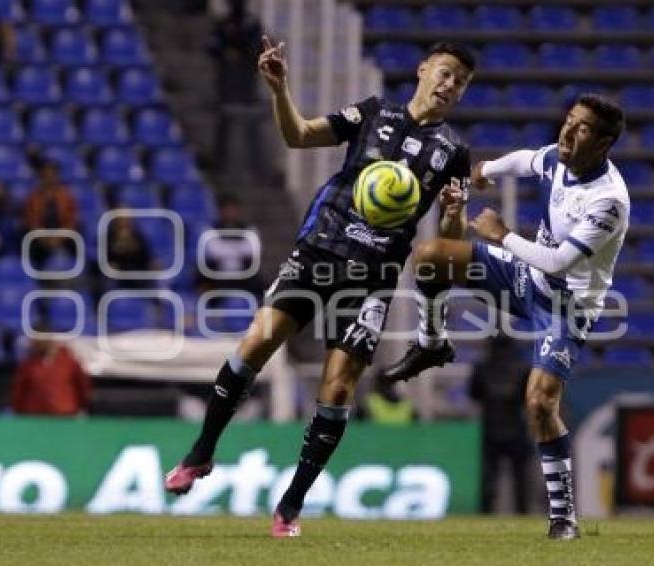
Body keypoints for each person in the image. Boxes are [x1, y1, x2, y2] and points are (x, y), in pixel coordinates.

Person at [164, 36, 476, 538]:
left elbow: (448, 247)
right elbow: (300, 135)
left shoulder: (453, 154)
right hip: (320, 250)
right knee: (256, 343)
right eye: (444, 73)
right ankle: (201, 453)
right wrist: (278, 88)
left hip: (372, 275)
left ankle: (291, 504)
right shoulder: (373, 113)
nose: (449, 85)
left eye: (460, 83)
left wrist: (456, 217)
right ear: (423, 70)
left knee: (337, 388)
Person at [382, 93, 628, 539]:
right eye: (569, 121)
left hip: (567, 306)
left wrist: (502, 235)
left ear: (605, 143)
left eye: (584, 128)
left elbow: (558, 264)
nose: (569, 132)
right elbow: (527, 159)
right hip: (527, 278)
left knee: (539, 402)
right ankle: (432, 341)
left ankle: (563, 517)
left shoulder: (608, 200)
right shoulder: (558, 157)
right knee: (432, 255)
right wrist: (484, 171)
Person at [468, 334, 533, 514]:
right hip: (517, 429)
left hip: (490, 430)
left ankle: (486, 513)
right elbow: (529, 399)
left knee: (488, 478)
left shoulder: (481, 368)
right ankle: (522, 512)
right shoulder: (523, 368)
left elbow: (474, 394)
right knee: (521, 479)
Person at [207, 0, 263, 177]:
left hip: (247, 85)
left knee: (251, 127)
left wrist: (241, 52)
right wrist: (226, 52)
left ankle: (256, 169)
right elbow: (213, 46)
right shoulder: (223, 24)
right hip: (227, 85)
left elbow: (258, 49)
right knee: (225, 125)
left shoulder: (252, 24)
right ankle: (220, 167)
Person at [196, 193, 263, 302]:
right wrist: (238, 249)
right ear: (220, 211)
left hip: (244, 275)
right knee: (203, 285)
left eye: (233, 209)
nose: (230, 213)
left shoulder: (249, 229)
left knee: (267, 290)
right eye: (227, 210)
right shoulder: (209, 229)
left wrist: (225, 248)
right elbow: (214, 252)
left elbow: (253, 250)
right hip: (217, 275)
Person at [11, 333, 91, 416]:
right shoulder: (27, 365)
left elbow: (83, 387)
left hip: (64, 415)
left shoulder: (69, 362)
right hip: (34, 416)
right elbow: (18, 391)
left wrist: (82, 408)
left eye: (38, 341)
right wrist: (17, 410)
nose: (35, 344)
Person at [23, 160, 78, 267]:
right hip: (41, 237)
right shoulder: (33, 197)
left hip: (62, 235)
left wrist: (59, 238)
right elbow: (31, 221)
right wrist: (44, 239)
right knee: (31, 244)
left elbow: (71, 220)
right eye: (46, 174)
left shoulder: (66, 196)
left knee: (76, 242)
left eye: (52, 174)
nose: (49, 177)